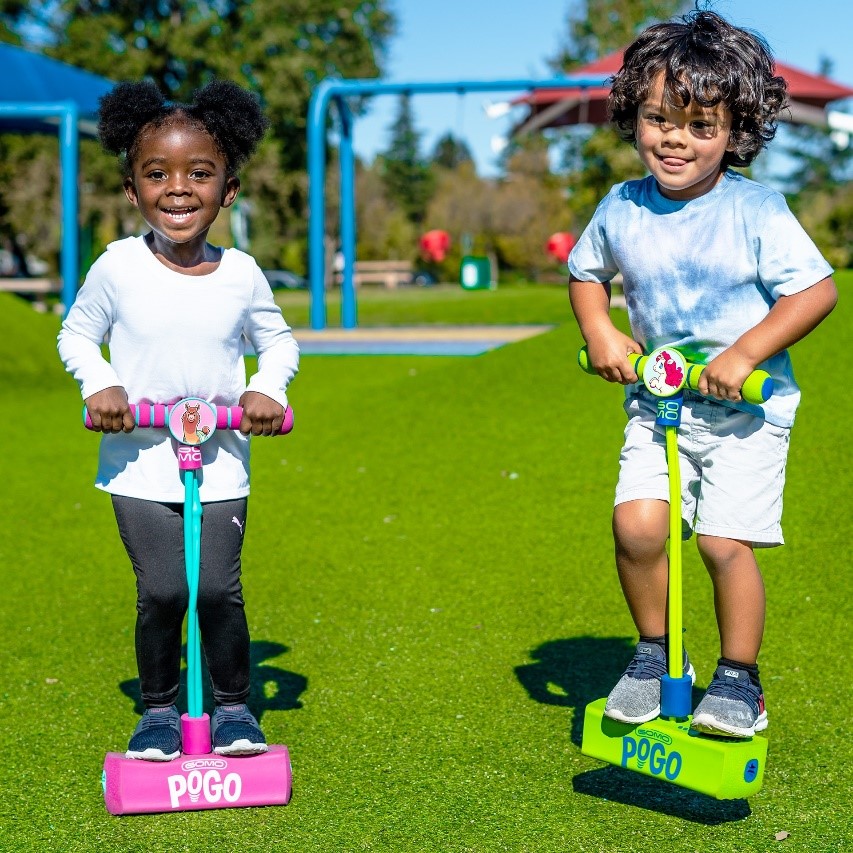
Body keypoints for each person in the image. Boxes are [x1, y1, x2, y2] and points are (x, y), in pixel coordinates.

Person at [568, 10, 837, 738]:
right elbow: (585, 274)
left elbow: (815, 290)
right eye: (658, 118)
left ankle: (738, 678)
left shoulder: (754, 209)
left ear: (735, 130)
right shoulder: (621, 208)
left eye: (699, 124)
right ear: (633, 117)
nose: (674, 138)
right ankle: (654, 655)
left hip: (745, 415)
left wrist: (743, 354)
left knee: (722, 542)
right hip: (657, 408)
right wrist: (599, 330)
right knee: (637, 527)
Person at [58, 80, 300, 760]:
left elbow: (277, 342)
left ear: (228, 190)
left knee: (216, 591)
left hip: (219, 458)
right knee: (164, 590)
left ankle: (233, 707)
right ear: (132, 190)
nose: (178, 188)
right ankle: (158, 710)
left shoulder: (242, 273)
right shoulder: (117, 266)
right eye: (156, 173)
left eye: (200, 173)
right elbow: (77, 334)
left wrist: (265, 390)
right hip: (138, 459)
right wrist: (102, 382)